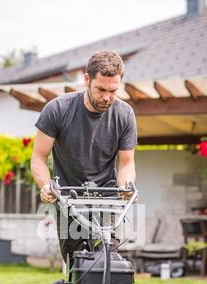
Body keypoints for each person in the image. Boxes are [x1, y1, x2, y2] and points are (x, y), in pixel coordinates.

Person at [31, 50, 138, 267]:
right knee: (77, 265)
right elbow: (39, 157)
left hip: (107, 197)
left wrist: (126, 187)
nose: (107, 97)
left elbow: (126, 162)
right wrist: (45, 186)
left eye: (113, 91)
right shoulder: (58, 109)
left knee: (109, 260)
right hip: (69, 198)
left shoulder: (124, 114)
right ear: (87, 80)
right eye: (101, 89)